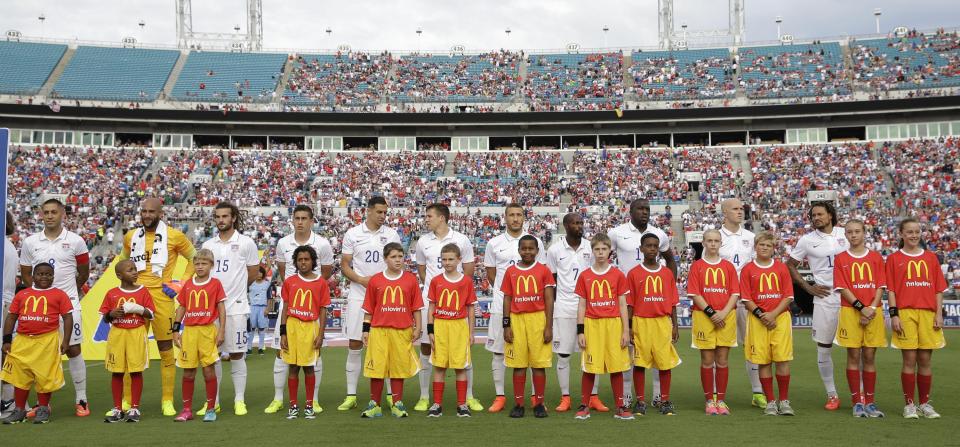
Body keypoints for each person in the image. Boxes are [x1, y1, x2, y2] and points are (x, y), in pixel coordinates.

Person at [118, 196, 196, 416]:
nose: (147, 215)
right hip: (136, 297)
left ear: (160, 214)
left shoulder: (174, 235)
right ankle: (126, 400)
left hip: (162, 298)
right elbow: (123, 264)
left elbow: (194, 257)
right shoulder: (131, 236)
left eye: (152, 212)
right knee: (131, 349)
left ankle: (167, 400)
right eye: (144, 211)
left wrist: (180, 283)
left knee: (165, 349)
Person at [18, 199, 90, 417]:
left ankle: (81, 400)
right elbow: (26, 274)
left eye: (54, 212)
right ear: (41, 215)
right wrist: (42, 296)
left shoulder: (76, 241)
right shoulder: (30, 242)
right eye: (46, 212)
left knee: (73, 349)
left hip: (68, 304)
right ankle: (43, 404)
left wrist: (67, 296)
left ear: (63, 215)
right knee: (41, 354)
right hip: (40, 308)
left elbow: (84, 272)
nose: (49, 216)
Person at [265, 205, 334, 415]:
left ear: (312, 221)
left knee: (314, 356)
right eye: (297, 218)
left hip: (310, 313)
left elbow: (327, 270)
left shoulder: (322, 243)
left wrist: (310, 288)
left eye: (305, 218)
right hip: (291, 308)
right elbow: (284, 271)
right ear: (292, 220)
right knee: (281, 352)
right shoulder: (283, 243)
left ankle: (314, 400)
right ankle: (278, 398)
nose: (301, 222)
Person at [609, 198, 676, 407]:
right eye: (640, 209)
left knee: (659, 354)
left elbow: (671, 259)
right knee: (628, 350)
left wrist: (668, 284)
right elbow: (601, 255)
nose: (644, 212)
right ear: (631, 211)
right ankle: (629, 395)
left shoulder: (659, 234)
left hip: (652, 302)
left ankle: (658, 396)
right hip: (626, 300)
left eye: (647, 209)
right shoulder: (617, 232)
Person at [338, 197, 401, 411]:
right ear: (369, 211)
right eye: (379, 212)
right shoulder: (353, 234)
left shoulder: (391, 234)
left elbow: (396, 263)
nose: (383, 216)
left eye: (385, 212)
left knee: (390, 347)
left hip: (387, 299)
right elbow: (344, 265)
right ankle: (351, 395)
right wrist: (363, 280)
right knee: (355, 344)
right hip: (359, 294)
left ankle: (392, 395)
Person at [413, 203, 477, 412]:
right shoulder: (423, 241)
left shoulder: (461, 240)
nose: (426, 219)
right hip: (432, 303)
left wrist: (456, 288)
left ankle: (468, 398)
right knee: (427, 347)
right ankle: (425, 397)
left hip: (456, 309)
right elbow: (422, 270)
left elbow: (468, 269)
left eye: (429, 215)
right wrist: (438, 287)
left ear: (442, 218)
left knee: (462, 355)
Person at [483, 204, 546, 413]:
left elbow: (541, 274)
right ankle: (500, 395)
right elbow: (491, 274)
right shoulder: (494, 243)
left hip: (529, 309)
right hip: (503, 305)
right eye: (511, 215)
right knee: (499, 352)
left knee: (529, 354)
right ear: (505, 218)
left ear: (524, 218)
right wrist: (506, 294)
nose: (515, 218)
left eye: (519, 215)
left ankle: (534, 397)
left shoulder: (534, 242)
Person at [785, 201, 847, 411]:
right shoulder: (807, 240)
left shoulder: (846, 233)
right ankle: (832, 395)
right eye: (813, 216)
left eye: (820, 214)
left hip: (850, 297)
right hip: (825, 297)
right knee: (824, 347)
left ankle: (862, 395)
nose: (816, 218)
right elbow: (790, 265)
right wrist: (807, 286)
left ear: (831, 215)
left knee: (858, 349)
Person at [200, 202, 260, 416]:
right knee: (212, 356)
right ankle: (213, 401)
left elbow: (253, 271)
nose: (221, 220)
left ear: (233, 217)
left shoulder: (246, 242)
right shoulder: (208, 244)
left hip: (236, 307)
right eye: (217, 216)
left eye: (225, 216)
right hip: (211, 310)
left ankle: (239, 400)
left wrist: (237, 292)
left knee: (237, 354)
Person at [545, 213, 606, 413]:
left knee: (591, 353)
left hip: (589, 309)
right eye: (574, 223)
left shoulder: (591, 246)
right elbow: (551, 282)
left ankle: (593, 397)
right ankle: (565, 397)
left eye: (581, 223)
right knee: (563, 355)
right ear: (565, 226)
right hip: (564, 307)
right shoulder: (554, 250)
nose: (579, 226)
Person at [887, 218, 947, 419]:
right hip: (905, 313)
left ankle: (924, 404)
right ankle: (910, 405)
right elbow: (892, 291)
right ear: (902, 234)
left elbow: (939, 289)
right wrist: (894, 315)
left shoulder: (931, 258)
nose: (914, 235)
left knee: (925, 360)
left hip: (928, 314)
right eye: (909, 232)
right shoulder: (894, 258)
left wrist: (939, 313)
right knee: (909, 360)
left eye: (917, 231)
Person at [0, 263, 72, 424]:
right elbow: (11, 317)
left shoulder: (59, 294)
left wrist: (66, 341)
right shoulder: (22, 294)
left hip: (47, 341)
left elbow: (67, 317)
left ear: (53, 277)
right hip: (22, 340)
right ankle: (19, 410)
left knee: (44, 376)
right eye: (40, 274)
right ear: (33, 276)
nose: (44, 277)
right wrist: (6, 340)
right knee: (20, 377)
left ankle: (43, 408)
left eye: (48, 274)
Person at [572, 233, 633, 420]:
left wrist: (625, 331)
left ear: (609, 251)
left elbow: (623, 304)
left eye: (604, 249)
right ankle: (584, 405)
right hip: (592, 325)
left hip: (613, 325)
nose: (600, 253)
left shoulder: (617, 274)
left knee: (616, 367)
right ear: (592, 251)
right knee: (590, 367)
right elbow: (582, 305)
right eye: (597, 249)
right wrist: (580, 331)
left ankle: (620, 407)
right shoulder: (585, 276)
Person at [360, 242, 423, 419]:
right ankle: (375, 405)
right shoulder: (375, 280)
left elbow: (416, 307)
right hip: (379, 331)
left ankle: (397, 404)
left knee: (398, 368)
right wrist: (366, 330)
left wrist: (418, 327)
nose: (398, 260)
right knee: (376, 368)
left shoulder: (410, 279)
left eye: (400, 256)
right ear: (385, 259)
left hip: (402, 331)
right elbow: (369, 309)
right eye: (393, 257)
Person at [833, 219, 887, 418]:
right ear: (845, 235)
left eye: (857, 231)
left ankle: (870, 402)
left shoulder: (875, 257)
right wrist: (861, 308)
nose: (853, 235)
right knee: (854, 356)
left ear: (864, 233)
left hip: (874, 312)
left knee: (870, 357)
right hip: (850, 312)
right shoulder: (841, 259)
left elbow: (880, 285)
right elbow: (842, 287)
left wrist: (871, 309)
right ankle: (857, 402)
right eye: (849, 232)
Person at [741, 231, 795, 416]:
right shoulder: (748, 269)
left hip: (780, 318)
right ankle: (771, 401)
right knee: (763, 361)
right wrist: (762, 315)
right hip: (757, 321)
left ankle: (784, 401)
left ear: (773, 249)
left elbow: (788, 296)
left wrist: (772, 315)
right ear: (755, 246)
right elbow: (746, 299)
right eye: (761, 244)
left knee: (782, 359)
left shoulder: (781, 268)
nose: (764, 248)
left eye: (768, 245)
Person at [625, 233, 680, 416]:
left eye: (655, 246)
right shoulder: (633, 273)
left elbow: (672, 302)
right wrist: (630, 327)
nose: (652, 249)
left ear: (659, 249)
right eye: (648, 245)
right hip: (641, 323)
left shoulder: (666, 273)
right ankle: (640, 401)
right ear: (641, 249)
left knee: (664, 364)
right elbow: (630, 304)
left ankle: (664, 400)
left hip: (662, 323)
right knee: (640, 364)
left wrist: (675, 326)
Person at [501, 235, 555, 419]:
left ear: (537, 251)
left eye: (531, 248)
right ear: (518, 250)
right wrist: (506, 325)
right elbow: (507, 298)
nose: (527, 252)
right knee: (519, 364)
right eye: (524, 248)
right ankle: (518, 404)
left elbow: (549, 299)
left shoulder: (543, 270)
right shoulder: (511, 271)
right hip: (517, 320)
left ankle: (539, 403)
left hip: (538, 320)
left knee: (539, 364)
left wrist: (549, 326)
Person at [688, 229, 740, 416]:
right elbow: (695, 293)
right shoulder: (697, 266)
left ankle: (722, 400)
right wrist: (712, 313)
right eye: (709, 240)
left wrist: (723, 313)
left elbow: (735, 293)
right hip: (704, 318)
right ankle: (710, 400)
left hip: (726, 317)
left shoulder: (728, 267)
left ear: (720, 243)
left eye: (716, 241)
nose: (712, 244)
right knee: (707, 360)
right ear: (703, 243)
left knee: (723, 360)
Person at [718, 198, 764, 407]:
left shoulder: (751, 237)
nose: (740, 212)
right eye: (735, 209)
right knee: (718, 348)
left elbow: (757, 267)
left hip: (746, 300)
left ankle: (757, 393)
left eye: (742, 209)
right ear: (724, 212)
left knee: (752, 345)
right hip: (723, 300)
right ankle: (716, 396)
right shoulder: (716, 237)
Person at [172, 249, 227, 422]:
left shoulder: (215, 283)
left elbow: (221, 308)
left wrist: (222, 331)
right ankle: (186, 410)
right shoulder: (188, 284)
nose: (200, 267)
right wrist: (175, 330)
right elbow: (181, 307)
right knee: (188, 372)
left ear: (211, 265)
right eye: (197, 263)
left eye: (204, 263)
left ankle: (211, 408)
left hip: (207, 331)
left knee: (208, 370)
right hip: (189, 332)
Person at [425, 243, 477, 418]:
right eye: (444, 259)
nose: (447, 262)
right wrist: (430, 330)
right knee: (439, 366)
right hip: (440, 326)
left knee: (460, 367)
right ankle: (437, 404)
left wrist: (471, 332)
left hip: (459, 327)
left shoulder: (466, 281)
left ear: (459, 260)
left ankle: (462, 404)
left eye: (451, 259)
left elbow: (470, 309)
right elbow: (431, 307)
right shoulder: (436, 281)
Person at [279, 246, 331, 420]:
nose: (303, 262)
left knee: (309, 367)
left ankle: (309, 405)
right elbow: (285, 308)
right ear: (295, 262)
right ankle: (293, 406)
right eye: (300, 259)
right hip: (292, 327)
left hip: (310, 328)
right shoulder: (289, 282)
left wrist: (321, 334)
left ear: (313, 261)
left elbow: (323, 309)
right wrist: (283, 333)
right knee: (292, 368)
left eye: (306, 259)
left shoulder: (321, 282)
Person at [100, 260, 156, 423]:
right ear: (119, 275)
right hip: (117, 334)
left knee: (135, 371)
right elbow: (104, 317)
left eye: (135, 269)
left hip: (136, 333)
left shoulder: (143, 291)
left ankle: (134, 408)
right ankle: (117, 408)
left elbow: (151, 314)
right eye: (130, 270)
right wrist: (111, 314)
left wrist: (137, 308)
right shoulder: (112, 293)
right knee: (117, 371)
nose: (134, 272)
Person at [2, 211, 18, 413]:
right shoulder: (9, 246)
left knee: (5, 353)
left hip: (4, 304)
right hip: (6, 302)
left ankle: (9, 399)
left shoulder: (5, 248)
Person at [248, 267, 272, 355]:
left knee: (262, 328)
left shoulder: (267, 284)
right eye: (257, 273)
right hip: (252, 307)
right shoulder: (250, 284)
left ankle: (261, 347)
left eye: (260, 272)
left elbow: (269, 298)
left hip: (263, 308)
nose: (259, 274)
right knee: (251, 328)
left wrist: (267, 309)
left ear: (263, 274)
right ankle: (249, 348)